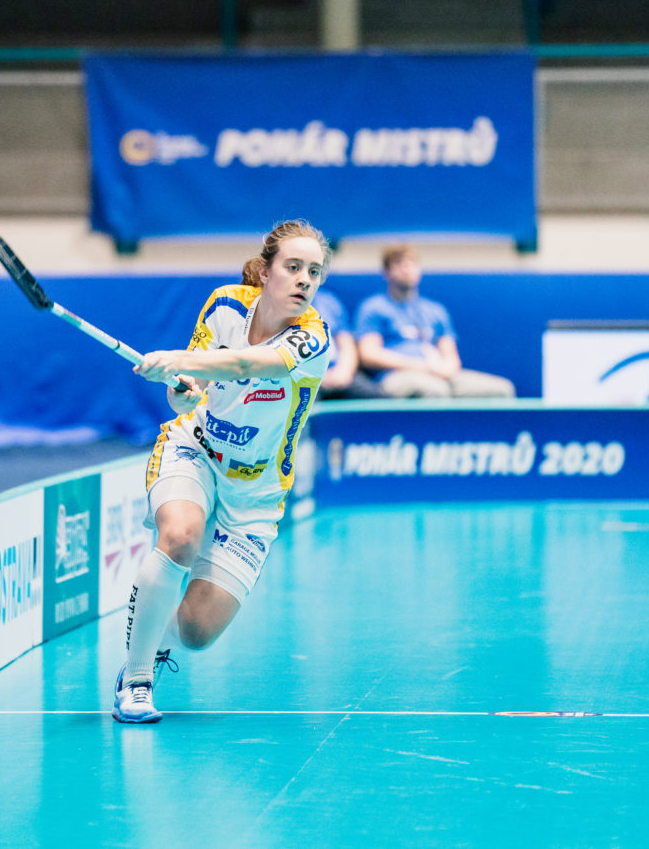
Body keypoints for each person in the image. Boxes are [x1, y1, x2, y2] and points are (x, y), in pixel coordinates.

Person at [114, 219, 333, 723]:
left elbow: (243, 366)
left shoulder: (313, 340)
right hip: (196, 447)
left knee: (196, 631)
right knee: (181, 536)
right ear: (266, 270)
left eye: (314, 272)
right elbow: (186, 392)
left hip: (255, 493)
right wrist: (179, 384)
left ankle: (148, 613)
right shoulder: (224, 305)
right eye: (293, 267)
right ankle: (137, 678)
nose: (304, 280)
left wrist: (176, 359)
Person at [356, 244, 515, 399]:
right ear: (387, 272)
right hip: (395, 375)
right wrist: (421, 366)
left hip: (438, 373)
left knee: (502, 390)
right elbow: (369, 355)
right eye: (399, 264)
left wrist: (446, 370)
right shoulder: (373, 307)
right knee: (435, 391)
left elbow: (451, 357)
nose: (407, 269)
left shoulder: (435, 310)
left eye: (411, 264)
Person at [311, 287, 386, 399]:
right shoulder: (283, 304)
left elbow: (346, 343)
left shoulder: (328, 301)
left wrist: (344, 371)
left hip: (338, 373)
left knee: (381, 398)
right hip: (305, 379)